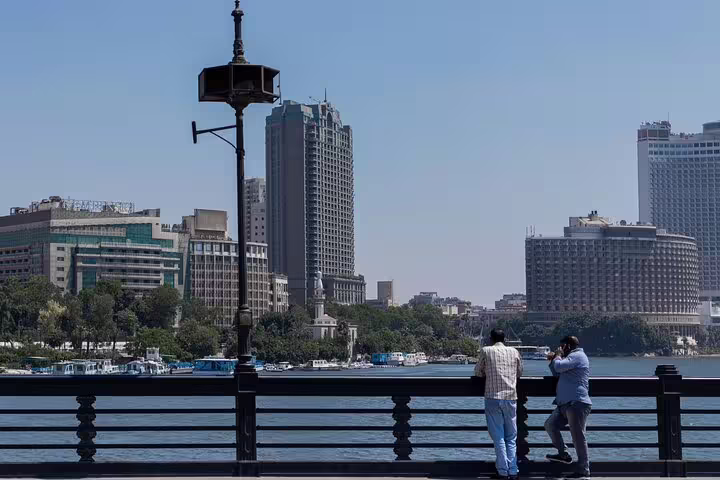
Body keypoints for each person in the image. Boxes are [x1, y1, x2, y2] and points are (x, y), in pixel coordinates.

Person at [475, 329, 523, 480]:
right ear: (505, 339)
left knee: (498, 437)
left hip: (493, 397)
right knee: (511, 437)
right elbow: (519, 372)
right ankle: (513, 470)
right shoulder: (514, 351)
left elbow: (477, 372)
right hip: (511, 397)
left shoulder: (486, 350)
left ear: (491, 339)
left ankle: (502, 471)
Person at [545, 335, 592, 478]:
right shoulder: (569, 359)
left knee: (578, 437)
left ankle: (584, 470)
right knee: (550, 425)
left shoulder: (578, 356)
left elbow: (558, 368)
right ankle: (564, 454)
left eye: (562, 347)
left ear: (568, 346)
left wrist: (558, 357)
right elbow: (556, 372)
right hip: (565, 404)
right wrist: (554, 359)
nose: (560, 349)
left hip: (576, 403)